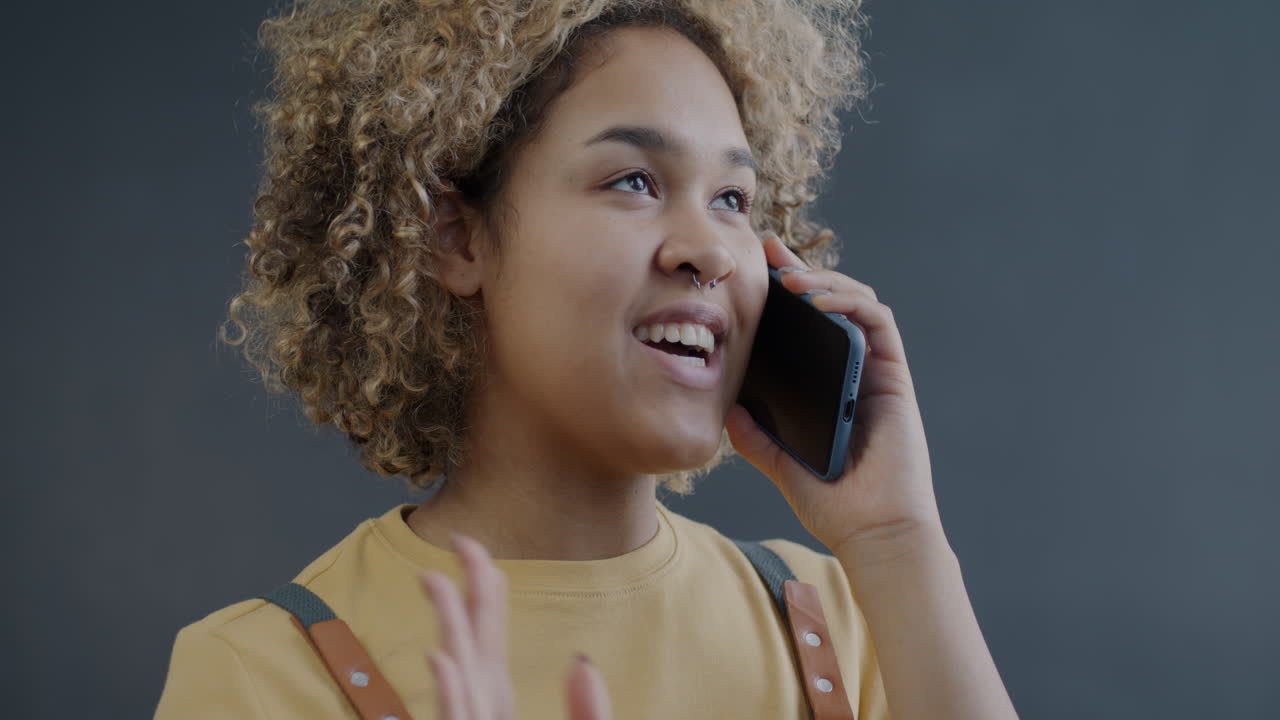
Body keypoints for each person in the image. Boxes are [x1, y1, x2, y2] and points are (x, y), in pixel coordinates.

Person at [156, 1, 1019, 718]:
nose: (709, 251)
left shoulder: (845, 618)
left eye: (732, 198)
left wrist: (896, 541)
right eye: (634, 181)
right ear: (456, 238)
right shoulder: (256, 676)